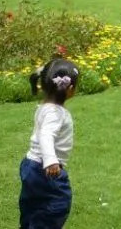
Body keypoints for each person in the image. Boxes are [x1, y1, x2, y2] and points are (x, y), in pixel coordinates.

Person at [19, 58, 79, 229]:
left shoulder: (45, 107)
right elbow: (46, 135)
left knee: (33, 205)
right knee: (57, 204)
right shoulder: (55, 113)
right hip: (45, 169)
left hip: (31, 165)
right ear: (70, 89)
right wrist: (51, 160)